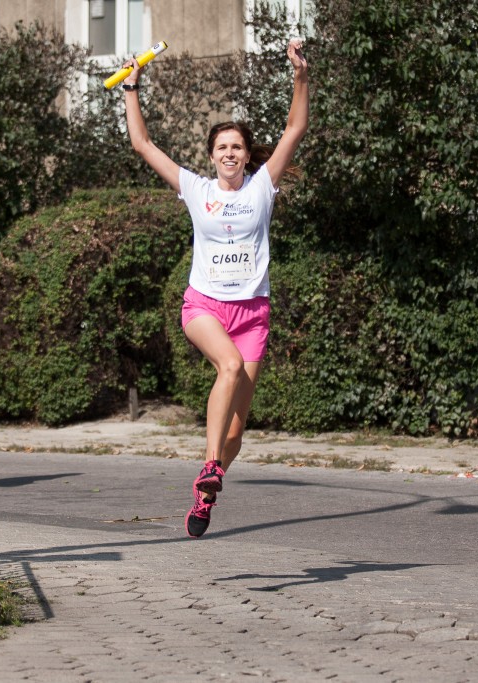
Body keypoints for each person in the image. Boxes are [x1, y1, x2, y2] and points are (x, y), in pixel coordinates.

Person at [122, 38, 309, 537]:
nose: (230, 153)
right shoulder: (195, 189)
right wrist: (132, 89)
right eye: (221, 147)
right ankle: (208, 464)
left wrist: (300, 76)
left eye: (237, 147)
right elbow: (143, 145)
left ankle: (207, 492)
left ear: (248, 156)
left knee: (236, 432)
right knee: (226, 367)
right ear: (211, 156)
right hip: (204, 306)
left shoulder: (262, 187)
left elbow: (296, 128)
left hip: (252, 314)